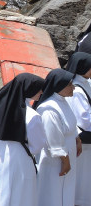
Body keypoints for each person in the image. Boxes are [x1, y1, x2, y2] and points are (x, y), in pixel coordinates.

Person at [0, 73, 46, 206]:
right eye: (39, 88)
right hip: (19, 157)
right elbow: (37, 145)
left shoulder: (1, 107)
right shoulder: (33, 116)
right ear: (29, 89)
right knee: (17, 192)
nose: (41, 92)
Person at [35, 68, 81, 206]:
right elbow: (53, 139)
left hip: (68, 155)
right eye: (69, 84)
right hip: (55, 160)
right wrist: (65, 161)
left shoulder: (62, 101)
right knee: (53, 191)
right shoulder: (48, 109)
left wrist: (77, 139)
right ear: (59, 86)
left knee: (65, 189)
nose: (73, 87)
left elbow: (71, 123)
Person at [66, 53, 91, 205]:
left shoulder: (85, 83)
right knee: (83, 176)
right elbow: (84, 119)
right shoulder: (77, 89)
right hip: (85, 140)